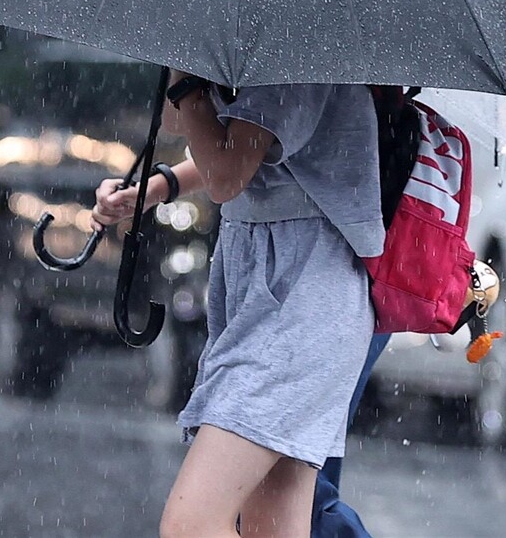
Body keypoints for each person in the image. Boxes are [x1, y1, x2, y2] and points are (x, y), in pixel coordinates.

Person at [93, 78, 382, 538]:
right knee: (272, 527)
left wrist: (185, 86)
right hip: (281, 292)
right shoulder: (263, 43)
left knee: (193, 523)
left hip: (302, 300)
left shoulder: (293, 42)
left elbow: (228, 174)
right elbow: (196, 128)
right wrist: (159, 185)